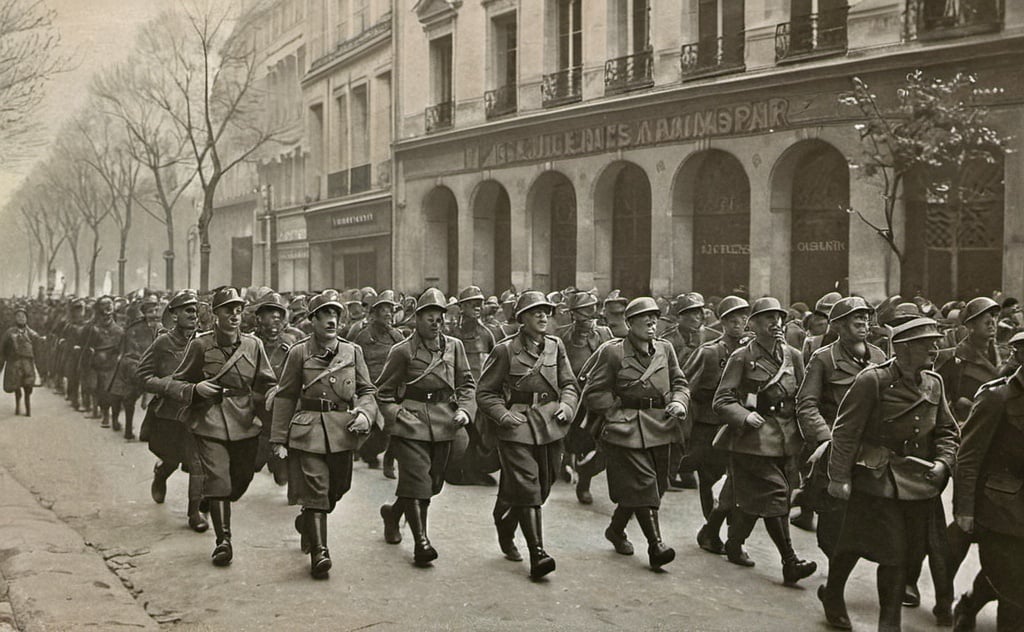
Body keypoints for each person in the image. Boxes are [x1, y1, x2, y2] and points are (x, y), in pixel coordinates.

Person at [822, 317, 959, 632]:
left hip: (919, 483)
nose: (936, 349)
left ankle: (838, 596)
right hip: (877, 479)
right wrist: (839, 477)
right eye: (928, 344)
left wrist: (943, 462)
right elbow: (845, 432)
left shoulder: (934, 382)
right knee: (879, 550)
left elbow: (947, 432)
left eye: (936, 342)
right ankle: (885, 622)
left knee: (896, 550)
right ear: (906, 348)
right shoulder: (873, 380)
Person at [270, 290, 379, 579]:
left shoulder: (352, 351)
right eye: (325, 315)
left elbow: (367, 391)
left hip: (342, 430)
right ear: (313, 320)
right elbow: (285, 396)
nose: (332, 320)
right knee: (316, 490)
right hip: (308, 430)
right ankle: (321, 552)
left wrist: (366, 413)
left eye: (336, 315)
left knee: (337, 489)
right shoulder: (299, 352)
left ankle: (308, 522)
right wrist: (279, 438)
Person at [166, 287, 278, 567]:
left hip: (244, 420)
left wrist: (274, 392)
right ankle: (223, 541)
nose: (234, 314)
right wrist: (195, 388)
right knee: (219, 480)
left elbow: (266, 380)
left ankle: (211, 500)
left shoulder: (253, 345)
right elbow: (177, 382)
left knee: (241, 480)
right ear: (215, 314)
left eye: (238, 309)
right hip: (210, 419)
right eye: (228, 309)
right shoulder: (201, 345)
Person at [712, 296, 816, 585]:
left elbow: (803, 397)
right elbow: (721, 400)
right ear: (753, 324)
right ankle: (790, 561)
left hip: (787, 440)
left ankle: (732, 542)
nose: (776, 323)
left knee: (754, 499)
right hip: (752, 442)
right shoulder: (742, 357)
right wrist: (744, 416)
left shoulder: (793, 356)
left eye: (778, 317)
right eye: (768, 318)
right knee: (777, 495)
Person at [477, 290, 580, 579]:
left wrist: (567, 406)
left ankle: (504, 522)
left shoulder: (556, 346)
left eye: (546, 311)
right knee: (529, 487)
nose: (543, 316)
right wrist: (502, 414)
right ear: (522, 318)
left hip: (550, 424)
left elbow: (569, 383)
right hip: (517, 426)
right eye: (536, 312)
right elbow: (485, 393)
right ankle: (538, 554)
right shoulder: (505, 350)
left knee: (542, 486)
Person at [582, 296, 687, 570]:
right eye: (644, 318)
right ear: (629, 323)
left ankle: (616, 530)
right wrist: (615, 413)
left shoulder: (665, 349)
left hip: (662, 425)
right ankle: (656, 546)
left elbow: (679, 382)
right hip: (626, 429)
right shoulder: (613, 352)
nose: (651, 322)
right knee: (644, 485)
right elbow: (594, 392)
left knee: (657, 487)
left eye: (654, 317)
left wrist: (678, 401)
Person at [375, 288, 476, 567]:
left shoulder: (454, 347)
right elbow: (382, 392)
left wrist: (466, 410)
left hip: (446, 420)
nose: (436, 322)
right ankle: (422, 543)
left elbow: (467, 384)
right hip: (412, 421)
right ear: (417, 319)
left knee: (432, 483)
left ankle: (393, 514)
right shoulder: (402, 351)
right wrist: (396, 414)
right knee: (418, 481)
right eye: (429, 316)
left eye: (440, 317)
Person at [795, 297, 886, 558]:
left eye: (865, 320)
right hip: (836, 446)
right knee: (833, 520)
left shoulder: (879, 356)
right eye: (855, 321)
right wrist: (824, 440)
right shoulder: (823, 359)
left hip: (869, 448)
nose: (863, 324)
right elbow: (806, 404)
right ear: (839, 326)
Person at [952, 330, 1024, 631]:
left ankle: (970, 601)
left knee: (1013, 577)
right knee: (1017, 592)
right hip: (1001, 511)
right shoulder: (997, 397)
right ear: (1019, 355)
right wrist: (964, 509)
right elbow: (968, 456)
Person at [137, 290, 208, 532]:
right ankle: (161, 473)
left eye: (195, 310)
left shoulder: (204, 341)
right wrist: (168, 385)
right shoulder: (162, 342)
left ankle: (194, 512)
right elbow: (142, 375)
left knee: (198, 461)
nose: (193, 314)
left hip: (198, 412)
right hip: (169, 414)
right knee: (172, 458)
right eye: (187, 310)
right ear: (174, 314)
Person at [684, 296, 750, 554]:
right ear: (721, 322)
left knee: (738, 483)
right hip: (709, 426)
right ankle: (713, 534)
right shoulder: (709, 352)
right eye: (732, 317)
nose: (738, 321)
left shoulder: (753, 350)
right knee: (710, 479)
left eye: (743, 316)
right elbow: (686, 388)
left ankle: (729, 536)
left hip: (742, 425)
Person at [558, 290, 614, 504]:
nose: (590, 318)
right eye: (584, 313)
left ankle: (583, 474)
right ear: (573, 315)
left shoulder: (605, 334)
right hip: (576, 399)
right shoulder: (563, 338)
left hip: (602, 399)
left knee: (608, 444)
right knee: (580, 442)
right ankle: (580, 478)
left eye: (592, 312)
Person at [351, 290, 405, 477]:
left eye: (391, 310)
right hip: (368, 388)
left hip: (391, 389)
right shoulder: (362, 336)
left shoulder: (396, 336)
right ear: (374, 313)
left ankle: (389, 459)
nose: (389, 314)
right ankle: (366, 452)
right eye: (384, 310)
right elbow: (352, 360)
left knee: (393, 425)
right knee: (372, 427)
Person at [252, 292, 298, 486]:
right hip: (254, 410)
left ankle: (277, 460)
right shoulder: (249, 343)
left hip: (280, 412)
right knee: (250, 466)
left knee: (282, 478)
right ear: (259, 318)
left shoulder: (292, 343)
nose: (276, 318)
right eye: (270, 313)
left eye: (279, 314)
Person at [108, 296, 160, 440]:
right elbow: (131, 352)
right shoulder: (134, 329)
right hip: (134, 366)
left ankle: (148, 432)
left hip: (153, 367)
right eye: (150, 311)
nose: (154, 314)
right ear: (144, 313)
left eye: (156, 310)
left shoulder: (161, 329)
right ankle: (126, 428)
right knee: (125, 397)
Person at [81, 297, 125, 429]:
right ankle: (105, 415)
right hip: (99, 364)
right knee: (102, 391)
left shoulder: (119, 330)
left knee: (115, 392)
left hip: (114, 364)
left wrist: (119, 357)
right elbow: (88, 346)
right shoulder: (94, 329)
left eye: (109, 312)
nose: (106, 317)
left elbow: (122, 348)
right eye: (104, 312)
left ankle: (114, 417)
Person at [1, 306, 42, 416]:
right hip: (14, 363)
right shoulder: (9, 333)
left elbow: (38, 350)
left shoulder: (33, 334)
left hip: (27, 363)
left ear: (27, 318)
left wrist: (40, 367)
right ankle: (18, 405)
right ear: (15, 318)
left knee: (28, 386)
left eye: (23, 316)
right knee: (16, 385)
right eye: (18, 316)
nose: (21, 318)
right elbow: (2, 349)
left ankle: (28, 408)